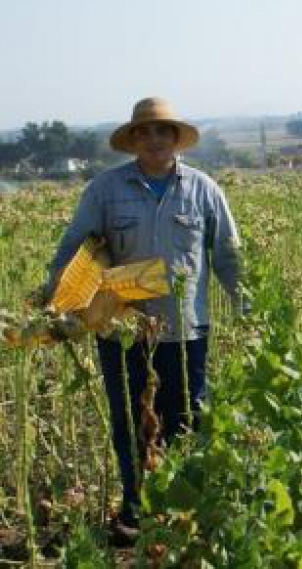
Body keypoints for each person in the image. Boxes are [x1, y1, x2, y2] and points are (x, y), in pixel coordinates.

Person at [43, 97, 244, 542]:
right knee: (129, 420)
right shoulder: (104, 190)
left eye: (162, 132)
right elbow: (75, 248)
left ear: (175, 138)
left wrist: (245, 305)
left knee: (186, 418)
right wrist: (53, 298)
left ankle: (181, 512)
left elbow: (227, 255)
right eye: (145, 132)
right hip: (121, 329)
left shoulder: (204, 189)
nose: (154, 139)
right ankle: (135, 512)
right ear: (133, 140)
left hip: (185, 328)